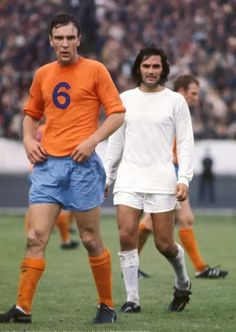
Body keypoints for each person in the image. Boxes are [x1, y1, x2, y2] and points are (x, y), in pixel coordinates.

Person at [0, 12, 125, 324]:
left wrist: (92, 140)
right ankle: (22, 309)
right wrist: (29, 140)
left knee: (89, 238)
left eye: (71, 37)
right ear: (51, 41)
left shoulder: (96, 70)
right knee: (35, 236)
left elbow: (117, 114)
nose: (65, 43)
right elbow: (31, 113)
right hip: (47, 166)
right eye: (60, 38)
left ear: (79, 39)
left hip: (82, 166)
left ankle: (107, 306)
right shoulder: (43, 73)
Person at [105, 45, 193, 313]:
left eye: (156, 66)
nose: (151, 71)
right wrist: (107, 176)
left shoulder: (175, 101)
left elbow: (186, 143)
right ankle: (133, 299)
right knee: (126, 235)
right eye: (146, 66)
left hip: (162, 180)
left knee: (164, 244)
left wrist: (184, 179)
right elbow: (115, 141)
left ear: (163, 69)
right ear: (138, 68)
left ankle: (183, 283)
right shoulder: (125, 99)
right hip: (129, 179)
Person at [138, 75, 228, 279]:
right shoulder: (171, 108)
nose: (196, 98)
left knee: (152, 222)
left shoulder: (177, 109)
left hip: (171, 170)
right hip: (168, 171)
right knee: (183, 219)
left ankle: (131, 263)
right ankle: (200, 268)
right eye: (193, 93)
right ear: (181, 91)